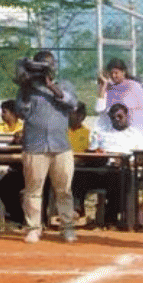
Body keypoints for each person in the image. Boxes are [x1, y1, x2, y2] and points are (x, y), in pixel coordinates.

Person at [15, 49, 79, 244]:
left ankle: (67, 227)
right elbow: (21, 113)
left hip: (61, 146)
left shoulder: (64, 85)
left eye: (49, 65)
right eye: (41, 66)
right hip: (35, 145)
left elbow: (73, 104)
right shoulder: (26, 88)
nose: (45, 69)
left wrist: (52, 88)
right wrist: (25, 87)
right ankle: (34, 227)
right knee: (33, 190)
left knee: (64, 190)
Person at [76, 103, 143, 228]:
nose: (117, 120)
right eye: (113, 117)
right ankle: (76, 210)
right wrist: (96, 152)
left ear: (127, 116)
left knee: (121, 177)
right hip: (102, 167)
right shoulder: (102, 133)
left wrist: (127, 162)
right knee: (79, 173)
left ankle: (111, 219)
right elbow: (92, 150)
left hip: (122, 169)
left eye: (120, 116)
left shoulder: (135, 134)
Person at [95, 57, 143, 143]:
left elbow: (124, 111)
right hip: (117, 134)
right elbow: (99, 109)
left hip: (137, 133)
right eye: (111, 73)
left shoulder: (133, 86)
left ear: (123, 72)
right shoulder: (109, 88)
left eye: (116, 73)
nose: (113, 76)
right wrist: (103, 86)